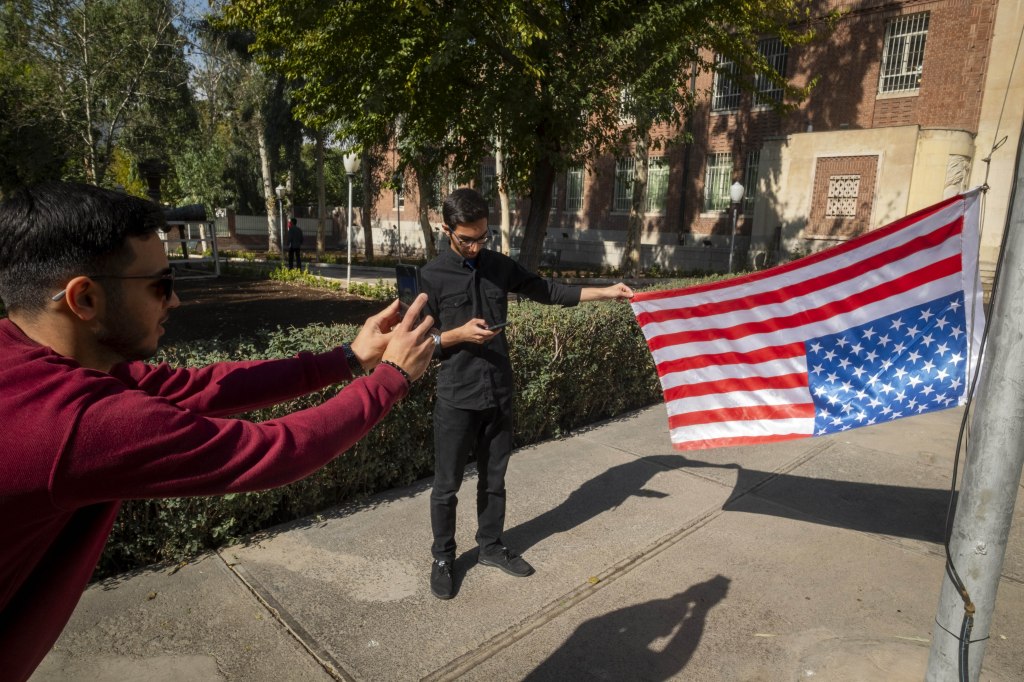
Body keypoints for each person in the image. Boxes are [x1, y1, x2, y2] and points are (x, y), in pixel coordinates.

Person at [0, 182, 436, 681]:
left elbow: (204, 387)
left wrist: (348, 359)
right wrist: (392, 379)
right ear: (85, 298)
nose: (176, 300)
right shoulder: (77, 422)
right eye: (159, 284)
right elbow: (273, 451)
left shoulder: (38, 360)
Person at [419, 187, 634, 600]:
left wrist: (607, 292)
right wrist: (456, 335)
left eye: (483, 236)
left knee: (494, 479)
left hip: (499, 390)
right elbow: (414, 342)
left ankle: (491, 546)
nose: (476, 245)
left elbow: (548, 291)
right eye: (467, 238)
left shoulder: (497, 265)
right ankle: (443, 557)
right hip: (456, 397)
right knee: (446, 486)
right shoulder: (431, 275)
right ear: (446, 230)